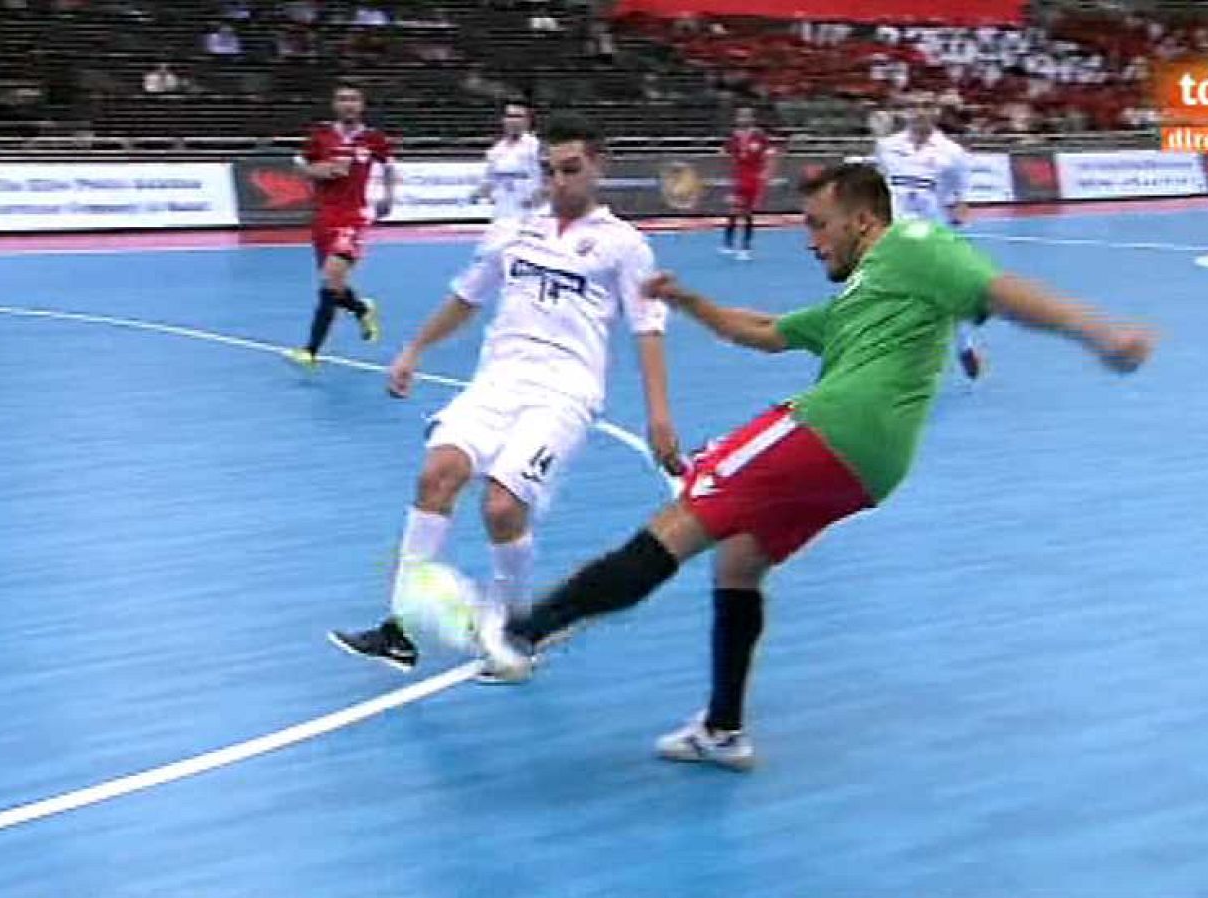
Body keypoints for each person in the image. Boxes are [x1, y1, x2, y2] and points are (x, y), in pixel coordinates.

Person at [475, 163, 1155, 770]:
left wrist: (1100, 333)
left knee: (678, 524)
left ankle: (522, 631)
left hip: (830, 426)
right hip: (872, 466)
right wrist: (691, 303)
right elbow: (766, 333)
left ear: (865, 220)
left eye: (819, 224)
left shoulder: (913, 246)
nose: (810, 239)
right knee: (739, 561)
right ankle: (722, 729)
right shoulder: (863, 295)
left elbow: (999, 289)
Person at [329, 113, 684, 673]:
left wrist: (659, 416)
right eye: (551, 171)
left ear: (598, 166)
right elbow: (467, 298)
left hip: (564, 392)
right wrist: (414, 349)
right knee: (435, 475)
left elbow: (648, 329)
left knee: (502, 506)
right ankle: (398, 627)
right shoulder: (515, 230)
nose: (559, 182)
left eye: (571, 170)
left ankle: (516, 624)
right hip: (498, 379)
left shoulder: (625, 245)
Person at [285, 84, 395, 368]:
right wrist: (322, 170)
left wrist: (388, 196)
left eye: (354, 99)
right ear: (335, 104)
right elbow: (300, 165)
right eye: (343, 99)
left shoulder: (373, 138)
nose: (348, 104)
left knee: (330, 285)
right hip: (323, 218)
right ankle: (361, 308)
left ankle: (310, 351)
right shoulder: (321, 135)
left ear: (362, 105)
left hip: (352, 219)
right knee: (332, 284)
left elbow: (390, 166)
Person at [874, 99, 985, 379]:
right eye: (915, 106)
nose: (921, 111)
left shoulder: (953, 153)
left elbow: (960, 197)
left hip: (933, 234)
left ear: (936, 113)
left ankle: (964, 345)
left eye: (927, 106)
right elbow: (879, 184)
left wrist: (959, 214)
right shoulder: (887, 147)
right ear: (907, 112)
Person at [471, 101, 543, 223]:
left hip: (531, 215)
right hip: (501, 215)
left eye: (518, 116)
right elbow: (489, 181)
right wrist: (478, 194)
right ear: (503, 120)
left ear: (528, 121)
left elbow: (550, 180)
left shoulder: (536, 146)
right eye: (509, 116)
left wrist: (538, 200)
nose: (513, 120)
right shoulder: (496, 150)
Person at [720, 105, 775, 262]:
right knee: (734, 211)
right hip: (739, 178)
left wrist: (766, 172)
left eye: (746, 116)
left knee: (748, 214)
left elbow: (770, 154)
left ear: (752, 119)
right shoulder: (734, 137)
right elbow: (725, 153)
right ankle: (728, 243)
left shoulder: (760, 136)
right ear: (737, 119)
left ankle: (745, 247)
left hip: (754, 179)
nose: (743, 119)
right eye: (741, 116)